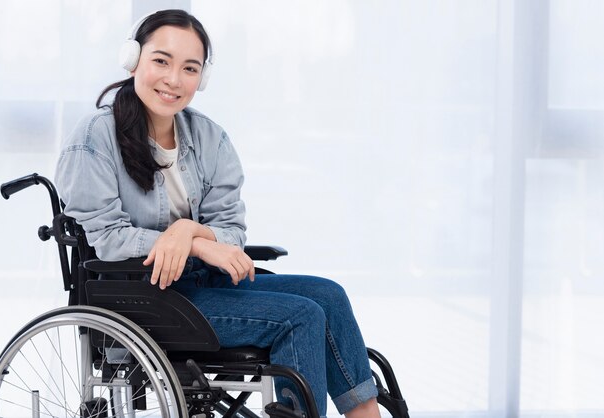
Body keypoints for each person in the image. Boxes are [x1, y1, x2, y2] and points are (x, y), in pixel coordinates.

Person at [55, 9, 380, 418]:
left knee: (328, 294)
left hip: (201, 285)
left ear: (201, 78)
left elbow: (231, 230)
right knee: (299, 316)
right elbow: (106, 239)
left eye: (189, 68)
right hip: (138, 296)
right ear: (132, 58)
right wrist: (193, 242)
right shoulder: (94, 138)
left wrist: (188, 232)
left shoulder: (209, 137)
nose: (174, 79)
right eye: (161, 61)